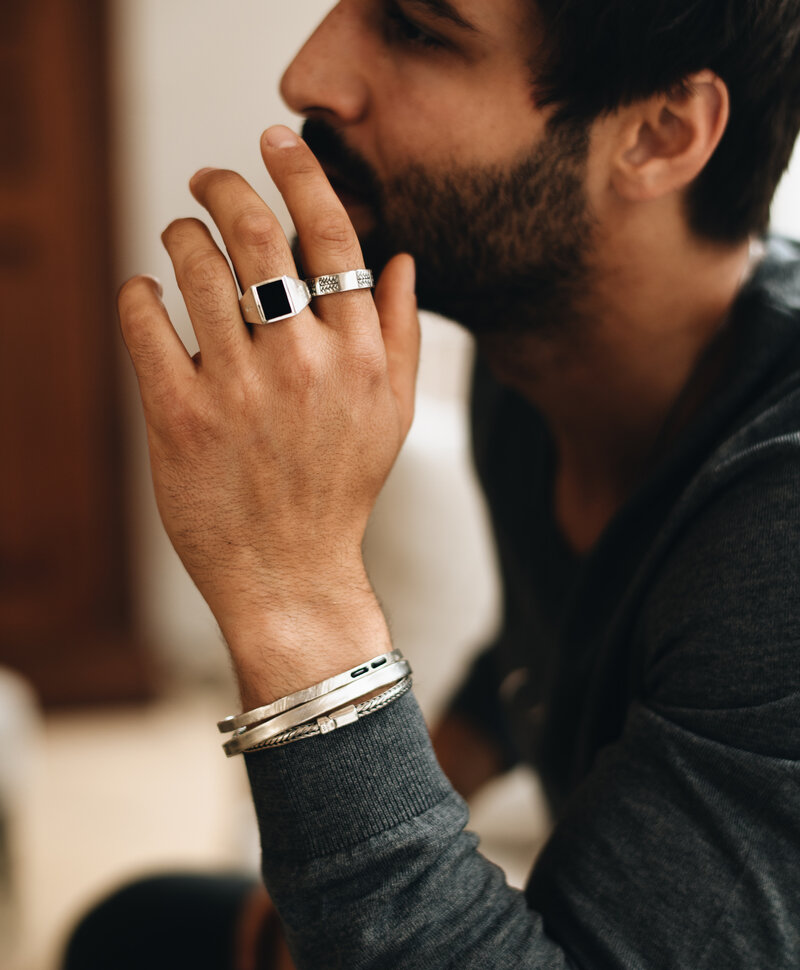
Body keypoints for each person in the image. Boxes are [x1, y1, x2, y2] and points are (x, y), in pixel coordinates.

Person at [65, 0, 800, 967]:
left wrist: (294, 591)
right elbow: (555, 636)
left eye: (416, 30)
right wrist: (444, 764)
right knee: (134, 929)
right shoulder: (532, 357)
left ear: (659, 134)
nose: (309, 73)